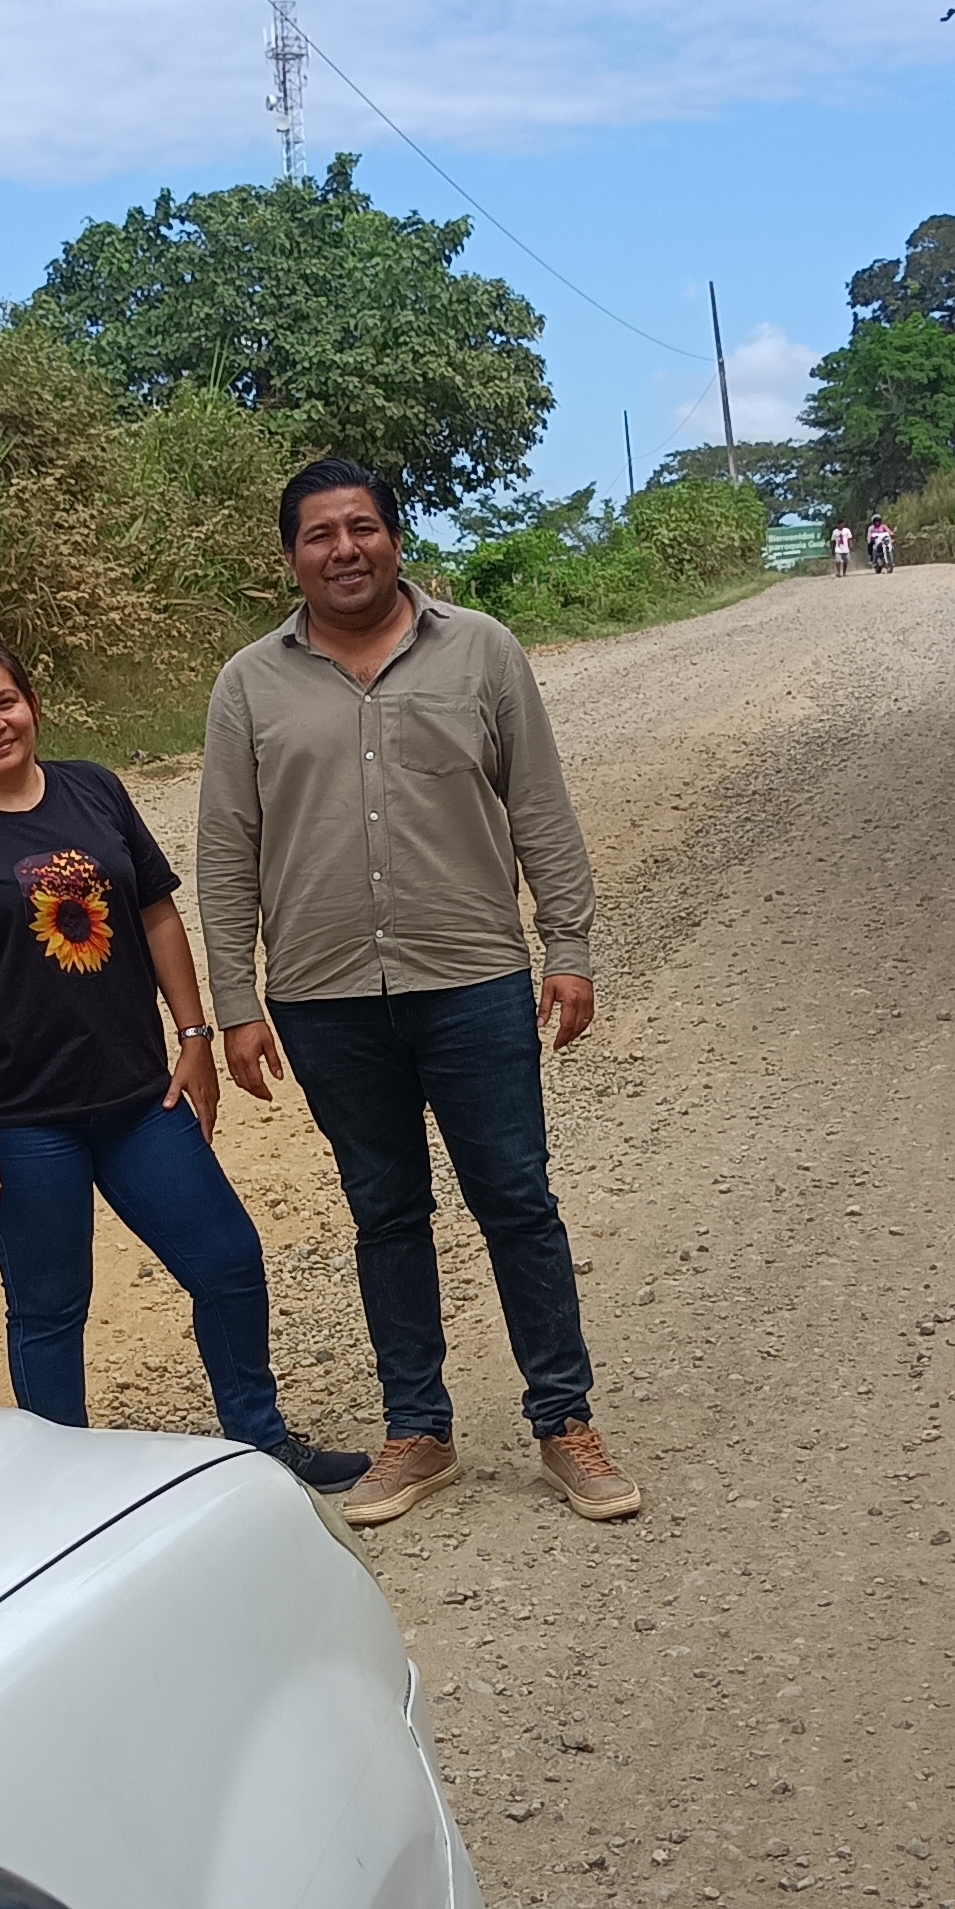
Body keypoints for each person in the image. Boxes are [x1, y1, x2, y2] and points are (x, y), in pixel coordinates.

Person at [197, 456, 640, 1530]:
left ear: (395, 538)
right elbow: (226, 851)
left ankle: (563, 1420)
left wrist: (568, 945)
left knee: (516, 1200)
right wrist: (236, 1001)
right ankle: (419, 1430)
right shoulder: (248, 684)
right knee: (383, 1210)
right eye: (319, 534)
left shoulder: (482, 650)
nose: (343, 549)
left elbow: (540, 806)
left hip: (473, 976)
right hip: (324, 995)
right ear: (291, 557)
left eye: (362, 527)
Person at [0, 632, 366, 1490]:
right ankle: (58, 1488)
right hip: (22, 1118)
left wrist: (195, 1036)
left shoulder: (94, 789)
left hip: (139, 1100)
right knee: (49, 1307)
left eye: (5, 702)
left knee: (227, 1261)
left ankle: (260, 1442)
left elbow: (156, 915)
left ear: (32, 703)